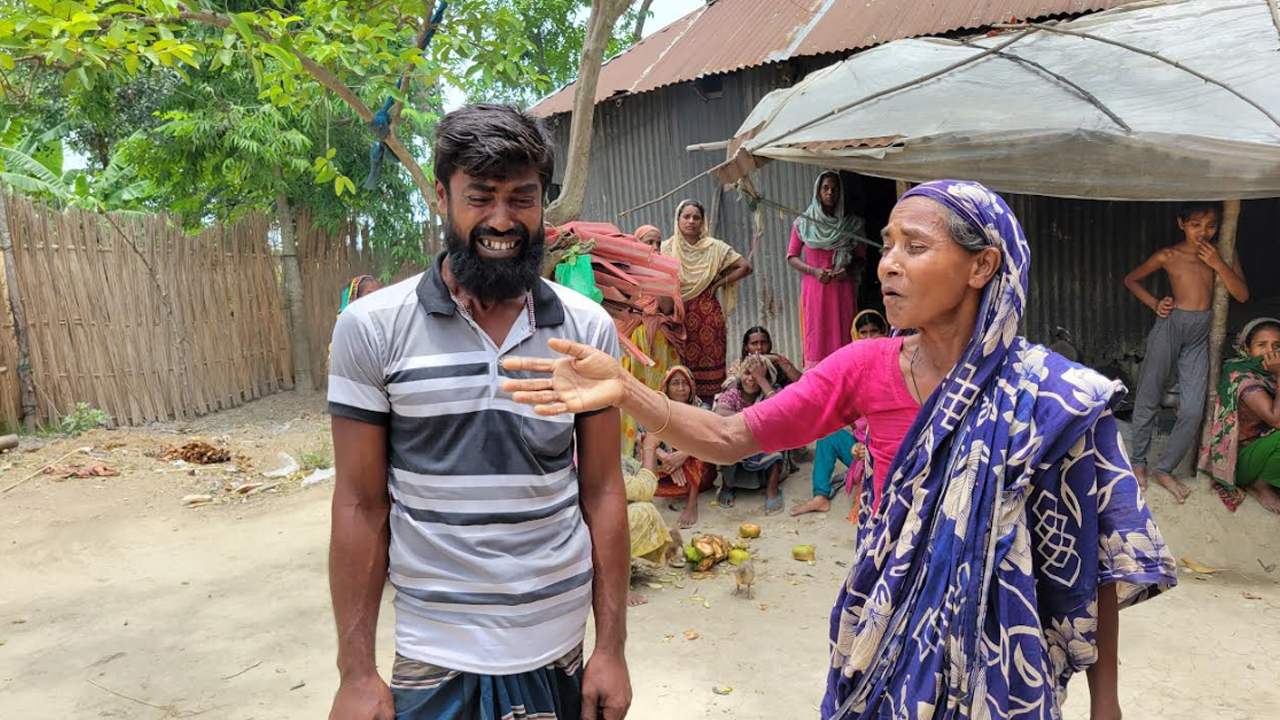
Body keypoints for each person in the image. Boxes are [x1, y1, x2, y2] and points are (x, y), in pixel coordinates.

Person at [502, 179, 1176, 720]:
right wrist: (625, 389)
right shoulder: (864, 366)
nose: (887, 264)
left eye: (914, 247)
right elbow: (732, 437)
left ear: (982, 265)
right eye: (886, 245)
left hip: (1005, 675)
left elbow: (1097, 561)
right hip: (882, 651)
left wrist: (1105, 703)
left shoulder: (1056, 400)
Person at [326, 104, 631, 720]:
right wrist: (356, 672)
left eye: (522, 199)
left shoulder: (585, 327)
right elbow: (360, 504)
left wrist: (613, 648)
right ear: (442, 197)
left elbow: (602, 491)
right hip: (432, 656)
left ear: (544, 202)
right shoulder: (371, 328)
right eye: (480, 197)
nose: (502, 220)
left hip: (556, 653)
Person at [1124, 201, 1249, 503]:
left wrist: (1219, 263)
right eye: (1195, 225)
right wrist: (1155, 303)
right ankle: (1139, 462)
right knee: (1149, 396)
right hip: (1171, 325)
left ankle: (1164, 469)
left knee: (1193, 408)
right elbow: (1131, 280)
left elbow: (1242, 295)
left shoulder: (1224, 252)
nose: (1203, 233)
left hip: (1200, 332)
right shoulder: (1169, 255)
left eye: (1210, 226)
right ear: (1181, 223)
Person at [791, 309, 889, 517]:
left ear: (885, 332)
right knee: (827, 435)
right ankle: (820, 496)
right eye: (864, 332)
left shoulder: (894, 365)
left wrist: (871, 447)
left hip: (888, 450)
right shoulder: (851, 367)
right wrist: (856, 443)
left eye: (875, 331)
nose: (870, 338)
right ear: (855, 335)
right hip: (862, 447)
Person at [663, 199, 753, 404]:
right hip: (678, 318)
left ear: (703, 221)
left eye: (696, 217)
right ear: (677, 220)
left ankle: (708, 413)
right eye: (686, 216)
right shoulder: (667, 248)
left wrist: (718, 283)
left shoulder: (715, 248)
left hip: (708, 319)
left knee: (711, 377)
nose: (691, 221)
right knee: (679, 372)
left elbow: (745, 267)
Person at [1199, 318, 1280, 514]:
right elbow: (1276, 420)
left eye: (1277, 346)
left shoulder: (1267, 372)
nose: (1270, 352)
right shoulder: (1242, 377)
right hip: (1241, 460)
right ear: (1247, 348)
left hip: (1265, 448)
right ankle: (1260, 485)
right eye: (1261, 345)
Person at [788, 171, 868, 369]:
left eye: (834, 189)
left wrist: (847, 271)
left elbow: (861, 259)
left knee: (843, 332)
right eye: (825, 188)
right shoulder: (804, 223)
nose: (830, 193)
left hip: (842, 288)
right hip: (815, 289)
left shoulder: (851, 224)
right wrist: (814, 271)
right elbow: (792, 256)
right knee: (817, 335)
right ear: (818, 191)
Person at [619, 224, 684, 458]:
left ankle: (665, 452)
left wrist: (657, 274)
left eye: (658, 242)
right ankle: (634, 455)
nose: (655, 247)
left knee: (662, 396)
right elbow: (620, 310)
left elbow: (667, 309)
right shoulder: (624, 272)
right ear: (637, 244)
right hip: (635, 346)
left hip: (662, 346)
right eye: (649, 242)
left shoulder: (667, 272)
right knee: (633, 399)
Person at [713, 355, 789, 515]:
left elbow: (780, 413)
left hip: (763, 445)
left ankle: (772, 488)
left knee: (776, 439)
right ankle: (728, 484)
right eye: (747, 373)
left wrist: (762, 380)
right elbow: (720, 413)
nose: (751, 379)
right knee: (725, 439)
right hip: (740, 443)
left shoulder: (773, 392)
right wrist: (755, 422)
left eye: (757, 375)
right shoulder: (734, 393)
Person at [644, 365, 716, 529]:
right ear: (666, 387)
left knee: (700, 451)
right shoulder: (657, 408)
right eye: (675, 383)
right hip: (669, 475)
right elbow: (643, 438)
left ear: (692, 387)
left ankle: (692, 504)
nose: (681, 388)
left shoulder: (701, 408)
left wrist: (683, 455)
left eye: (685, 383)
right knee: (646, 445)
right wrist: (667, 458)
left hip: (699, 479)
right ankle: (647, 503)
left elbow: (708, 438)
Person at [622, 442, 675, 607]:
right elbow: (646, 488)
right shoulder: (593, 455)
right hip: (581, 527)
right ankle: (615, 584)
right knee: (643, 511)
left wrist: (671, 459)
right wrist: (650, 447)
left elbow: (638, 469)